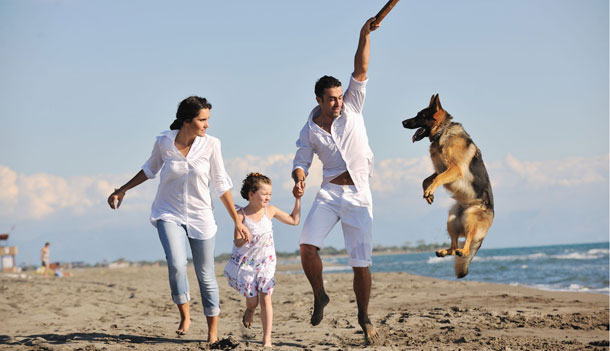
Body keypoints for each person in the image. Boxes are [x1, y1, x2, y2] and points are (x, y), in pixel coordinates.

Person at [107, 96, 250, 343]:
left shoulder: (212, 145)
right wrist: (122, 189)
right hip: (168, 211)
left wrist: (237, 220)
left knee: (205, 273)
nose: (207, 125)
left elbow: (221, 184)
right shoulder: (164, 142)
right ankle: (185, 314)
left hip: (201, 215)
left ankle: (212, 332)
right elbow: (149, 169)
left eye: (207, 120)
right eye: (202, 120)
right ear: (186, 121)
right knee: (176, 263)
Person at [291, 17, 381, 344]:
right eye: (331, 98)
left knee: (361, 264)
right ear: (319, 100)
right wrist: (299, 179)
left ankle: (364, 316)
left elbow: (361, 66)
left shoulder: (353, 106)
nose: (338, 102)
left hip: (358, 194)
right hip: (329, 193)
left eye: (340, 96)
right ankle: (320, 294)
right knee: (306, 247)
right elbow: (301, 160)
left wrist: (364, 34)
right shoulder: (310, 129)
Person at [224, 172, 301, 348]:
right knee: (253, 301)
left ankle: (267, 340)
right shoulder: (240, 215)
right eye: (264, 194)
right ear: (251, 194)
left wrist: (298, 199)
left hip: (266, 263)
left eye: (270, 194)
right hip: (247, 265)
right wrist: (244, 237)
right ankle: (250, 310)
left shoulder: (270, 211)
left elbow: (294, 220)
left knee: (266, 296)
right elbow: (237, 241)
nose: (268, 197)